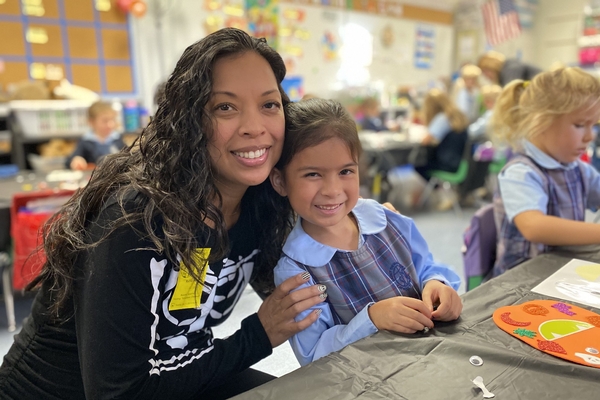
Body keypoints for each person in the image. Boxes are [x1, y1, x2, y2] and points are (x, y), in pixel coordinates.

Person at [0, 28, 328, 400]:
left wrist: (364, 236)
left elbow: (309, 289)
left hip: (181, 372)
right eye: (225, 107)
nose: (256, 127)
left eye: (269, 104)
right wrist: (257, 336)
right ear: (190, 121)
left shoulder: (261, 203)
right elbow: (118, 393)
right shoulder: (135, 222)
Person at [269, 98, 462, 366]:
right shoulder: (297, 273)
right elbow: (313, 356)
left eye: (346, 171)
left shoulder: (387, 220)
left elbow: (426, 266)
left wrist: (437, 285)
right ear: (280, 180)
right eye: (313, 174)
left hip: (430, 363)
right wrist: (372, 319)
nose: (332, 190)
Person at [490, 67, 600, 276]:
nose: (590, 136)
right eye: (579, 125)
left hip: (562, 272)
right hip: (522, 282)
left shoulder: (579, 170)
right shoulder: (520, 172)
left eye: (593, 125)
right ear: (540, 122)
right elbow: (534, 226)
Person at [415, 89, 469, 179]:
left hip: (447, 164)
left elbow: (425, 141)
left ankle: (436, 189)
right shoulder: (458, 116)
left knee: (418, 164)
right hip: (459, 162)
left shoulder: (442, 118)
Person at [65, 100, 126, 170]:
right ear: (91, 122)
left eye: (112, 120)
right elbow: (71, 160)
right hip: (94, 178)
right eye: (105, 121)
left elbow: (128, 156)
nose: (110, 124)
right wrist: (76, 160)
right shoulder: (86, 141)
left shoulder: (117, 139)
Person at [477, 50, 542, 87]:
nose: (485, 76)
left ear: (491, 66)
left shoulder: (510, 69)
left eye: (485, 71)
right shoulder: (508, 69)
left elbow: (511, 93)